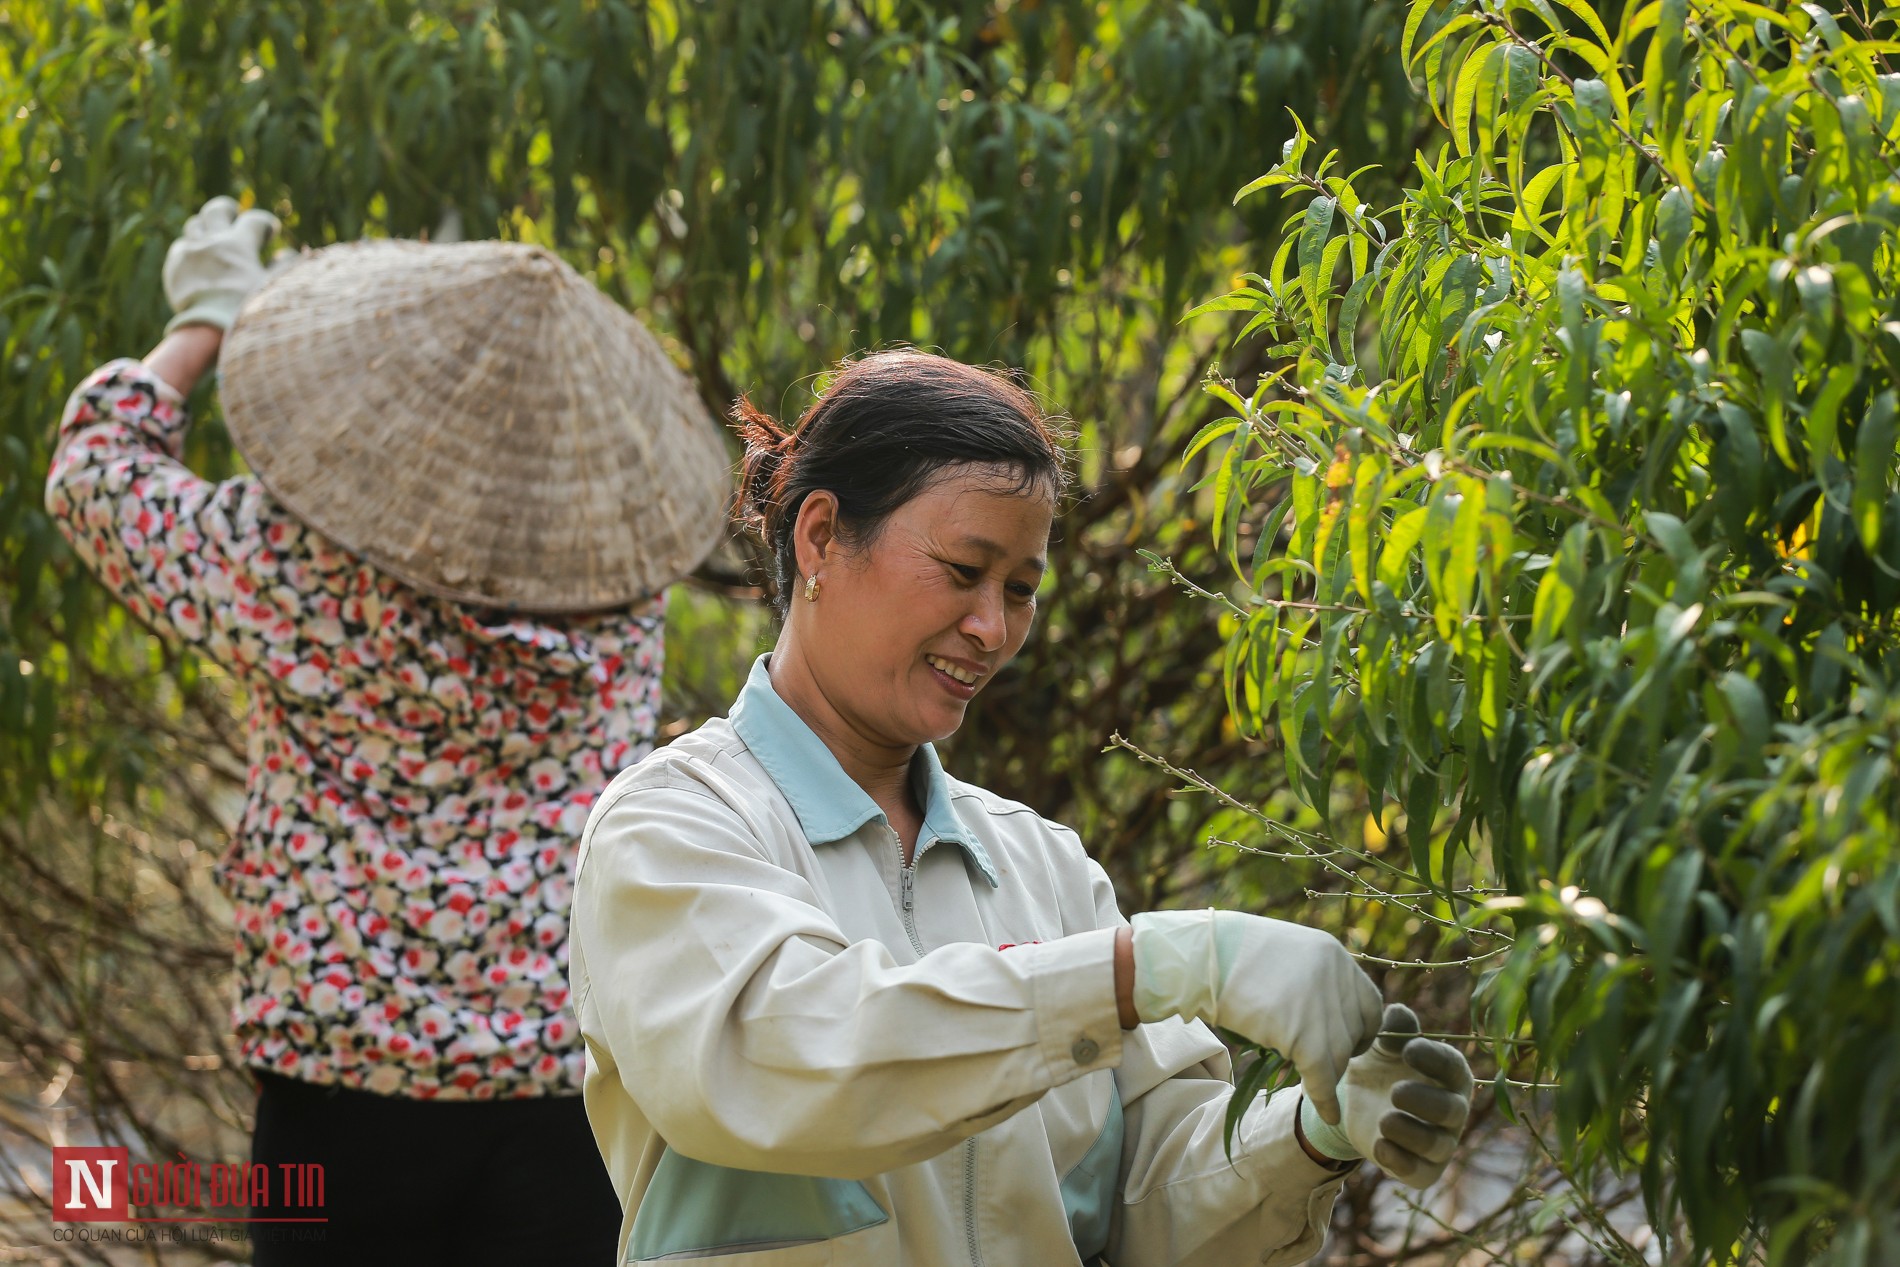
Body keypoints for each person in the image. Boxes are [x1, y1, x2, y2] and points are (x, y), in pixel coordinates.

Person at [569, 350, 1475, 1266]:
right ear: (819, 537)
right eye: (963, 570)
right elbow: (783, 1060)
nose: (992, 629)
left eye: (1021, 588)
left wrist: (1314, 1134)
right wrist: (1150, 967)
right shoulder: (675, 827)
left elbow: (1149, 1207)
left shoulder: (1044, 867)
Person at [44, 197, 731, 1263]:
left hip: (341, 1084)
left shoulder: (295, 572)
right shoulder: (623, 606)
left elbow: (96, 472)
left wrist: (208, 320)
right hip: (565, 1084)